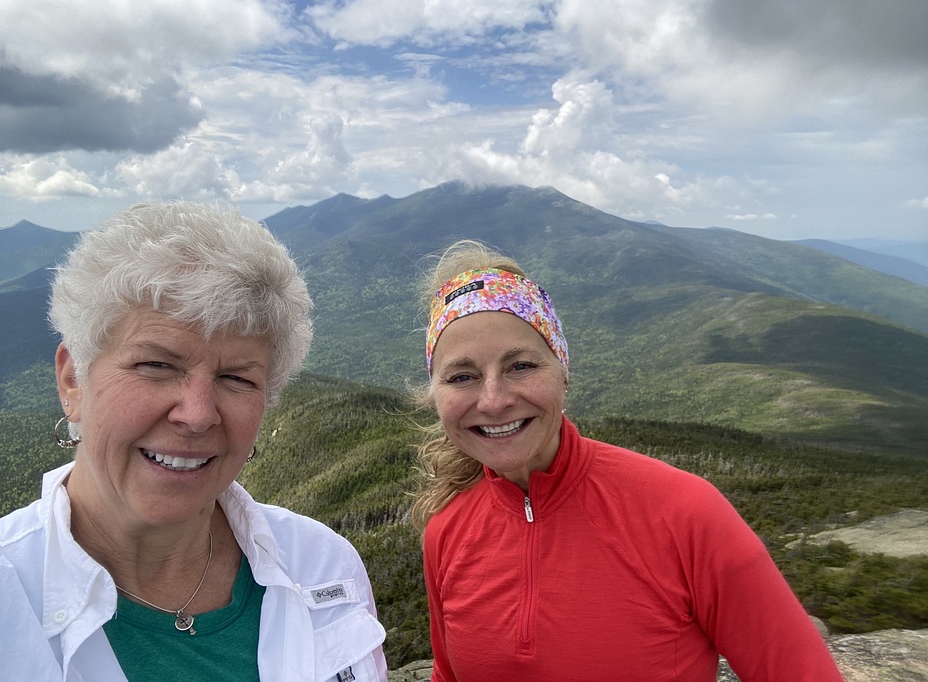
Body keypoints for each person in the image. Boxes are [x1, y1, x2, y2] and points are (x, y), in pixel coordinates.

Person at [411, 239, 844, 681]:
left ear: (563, 371)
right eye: (462, 376)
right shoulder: (447, 531)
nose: (494, 399)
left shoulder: (684, 513)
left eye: (520, 366)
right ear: (436, 395)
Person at [0, 203, 388, 681]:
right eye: (156, 365)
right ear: (73, 381)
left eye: (236, 378)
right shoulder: (10, 595)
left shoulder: (322, 565)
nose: (198, 414)